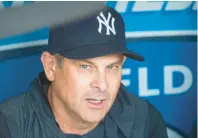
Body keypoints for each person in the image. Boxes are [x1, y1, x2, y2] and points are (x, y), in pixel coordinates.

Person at [0, 6, 168, 138]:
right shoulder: (8, 126)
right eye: (86, 67)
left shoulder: (145, 121)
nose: (102, 85)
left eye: (112, 67)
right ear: (51, 66)